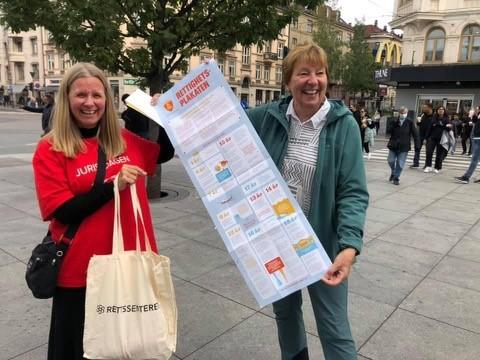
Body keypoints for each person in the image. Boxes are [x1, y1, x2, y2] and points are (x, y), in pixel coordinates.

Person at [32, 63, 174, 360]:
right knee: (79, 350)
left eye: (97, 95)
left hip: (130, 265)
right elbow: (63, 210)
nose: (89, 102)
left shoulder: (123, 141)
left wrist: (159, 115)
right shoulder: (50, 149)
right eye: (80, 94)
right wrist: (113, 185)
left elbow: (164, 152)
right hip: (80, 273)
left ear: (107, 101)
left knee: (130, 347)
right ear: (66, 99)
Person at [247, 43, 369, 360]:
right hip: (279, 243)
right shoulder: (267, 117)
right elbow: (217, 122)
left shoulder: (344, 126)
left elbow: (353, 192)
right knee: (286, 316)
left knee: (334, 329)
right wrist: (165, 108)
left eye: (319, 72)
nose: (312, 80)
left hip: (324, 246)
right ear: (288, 81)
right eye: (303, 73)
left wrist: (349, 246)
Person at [387, 106, 419, 185]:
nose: (402, 114)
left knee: (400, 163)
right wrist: (394, 124)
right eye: (401, 113)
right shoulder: (394, 120)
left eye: (404, 113)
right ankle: (393, 172)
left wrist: (417, 145)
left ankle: (396, 177)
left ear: (407, 113)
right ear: (399, 113)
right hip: (393, 145)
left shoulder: (410, 122)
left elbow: (415, 134)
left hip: (404, 146)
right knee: (390, 160)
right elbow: (388, 131)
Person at [455, 106, 480, 184]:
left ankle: (466, 177)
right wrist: (474, 115)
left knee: (474, 160)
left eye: (477, 108)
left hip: (479, 139)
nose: (476, 109)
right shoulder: (478, 115)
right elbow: (474, 122)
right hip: (476, 138)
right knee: (476, 159)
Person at [424, 106, 452, 173]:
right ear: (437, 110)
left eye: (442, 109)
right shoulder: (433, 118)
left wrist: (448, 126)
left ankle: (437, 167)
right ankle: (428, 166)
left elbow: (449, 129)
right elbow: (429, 128)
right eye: (439, 109)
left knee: (439, 154)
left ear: (444, 111)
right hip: (432, 138)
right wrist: (425, 138)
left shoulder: (446, 119)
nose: (441, 110)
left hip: (442, 139)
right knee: (429, 152)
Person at [410, 102, 433, 169]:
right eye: (423, 107)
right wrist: (418, 122)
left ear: (429, 108)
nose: (423, 108)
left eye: (425, 107)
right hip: (420, 135)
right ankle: (415, 163)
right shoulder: (423, 115)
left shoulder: (434, 116)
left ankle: (427, 164)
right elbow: (420, 125)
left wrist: (427, 137)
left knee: (428, 151)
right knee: (417, 148)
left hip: (429, 136)